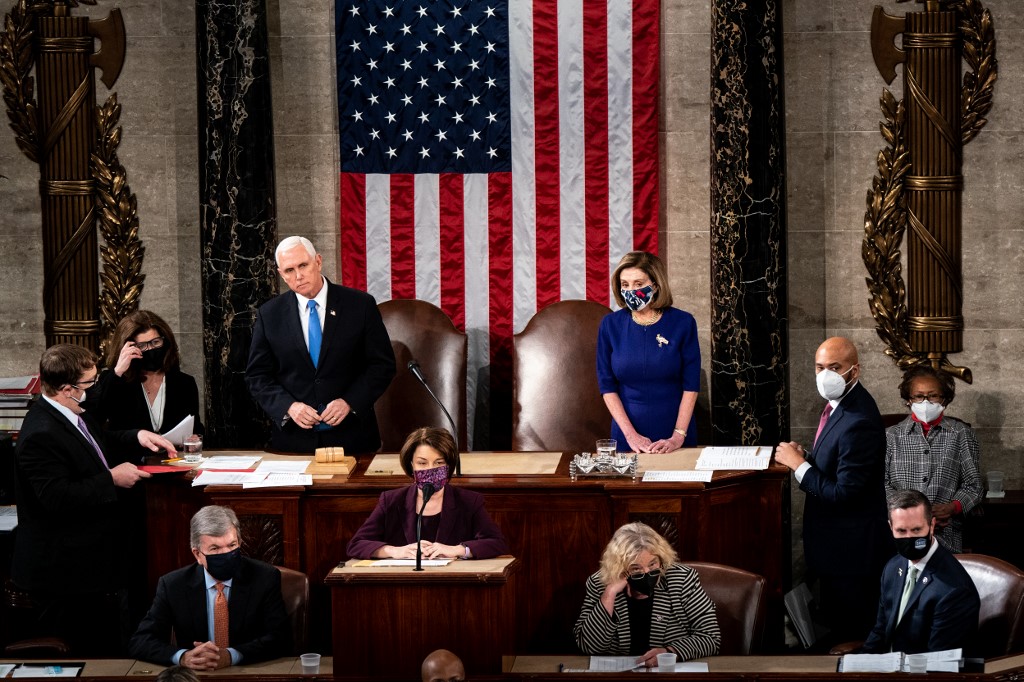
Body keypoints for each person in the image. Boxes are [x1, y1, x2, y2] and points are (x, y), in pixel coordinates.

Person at [12, 344, 175, 655]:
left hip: (89, 566)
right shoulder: (40, 434)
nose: (93, 391)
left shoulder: (70, 412)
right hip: (62, 573)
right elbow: (56, 497)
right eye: (88, 384)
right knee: (83, 654)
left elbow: (96, 446)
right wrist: (111, 479)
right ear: (65, 389)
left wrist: (136, 435)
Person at [775, 337, 892, 643]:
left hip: (851, 553)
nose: (825, 375)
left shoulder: (860, 419)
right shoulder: (838, 405)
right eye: (819, 367)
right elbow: (838, 463)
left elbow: (844, 494)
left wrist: (799, 465)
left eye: (834, 367)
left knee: (851, 635)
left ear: (855, 371)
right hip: (836, 547)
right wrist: (808, 459)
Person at [246, 236, 396, 454]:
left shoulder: (360, 305)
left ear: (318, 261)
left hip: (353, 438)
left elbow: (382, 365)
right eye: (289, 270)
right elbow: (257, 376)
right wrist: (289, 407)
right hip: (295, 442)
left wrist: (350, 402)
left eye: (303, 265)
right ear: (281, 275)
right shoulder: (270, 314)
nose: (298, 276)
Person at [129, 505, 292, 670]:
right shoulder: (173, 585)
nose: (226, 553)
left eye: (231, 545)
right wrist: (183, 657)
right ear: (198, 554)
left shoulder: (264, 578)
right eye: (215, 548)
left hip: (248, 672)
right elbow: (141, 641)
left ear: (240, 542)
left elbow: (280, 637)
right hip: (197, 676)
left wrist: (230, 656)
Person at [346, 427, 509, 560]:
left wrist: (457, 549)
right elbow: (356, 545)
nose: (430, 469)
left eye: (439, 463)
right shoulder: (391, 500)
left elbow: (497, 543)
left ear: (449, 466)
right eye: (422, 463)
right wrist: (394, 551)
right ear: (411, 465)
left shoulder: (469, 501)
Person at [573, 522, 720, 666]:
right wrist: (610, 594)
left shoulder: (682, 579)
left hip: (667, 673)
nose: (647, 573)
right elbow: (588, 646)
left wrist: (670, 652)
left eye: (652, 564)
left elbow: (710, 637)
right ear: (619, 568)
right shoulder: (599, 583)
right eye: (636, 568)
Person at [597, 251, 700, 454]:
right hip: (627, 436)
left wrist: (677, 436)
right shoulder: (610, 325)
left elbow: (691, 385)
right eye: (625, 285)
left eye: (638, 283)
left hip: (674, 435)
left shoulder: (683, 323)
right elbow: (607, 386)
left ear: (655, 284)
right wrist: (630, 435)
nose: (631, 291)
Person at [862, 490, 980, 654]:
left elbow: (938, 663)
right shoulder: (892, 568)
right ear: (890, 527)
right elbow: (881, 631)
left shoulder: (955, 590)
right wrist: (859, 668)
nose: (909, 538)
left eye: (917, 530)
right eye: (901, 531)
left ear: (932, 525)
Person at [885, 366, 982, 553]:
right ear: (908, 400)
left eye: (933, 396)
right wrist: (910, 514)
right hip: (899, 533)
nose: (926, 402)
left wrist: (953, 507)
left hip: (945, 534)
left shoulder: (961, 434)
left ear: (944, 399)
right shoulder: (891, 436)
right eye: (918, 396)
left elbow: (974, 486)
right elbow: (881, 484)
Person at [90, 310, 204, 446]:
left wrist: (195, 439)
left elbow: (195, 426)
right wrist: (119, 370)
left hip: (172, 460)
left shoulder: (184, 382)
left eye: (156, 342)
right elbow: (94, 420)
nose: (150, 349)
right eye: (142, 346)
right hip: (128, 461)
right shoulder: (114, 380)